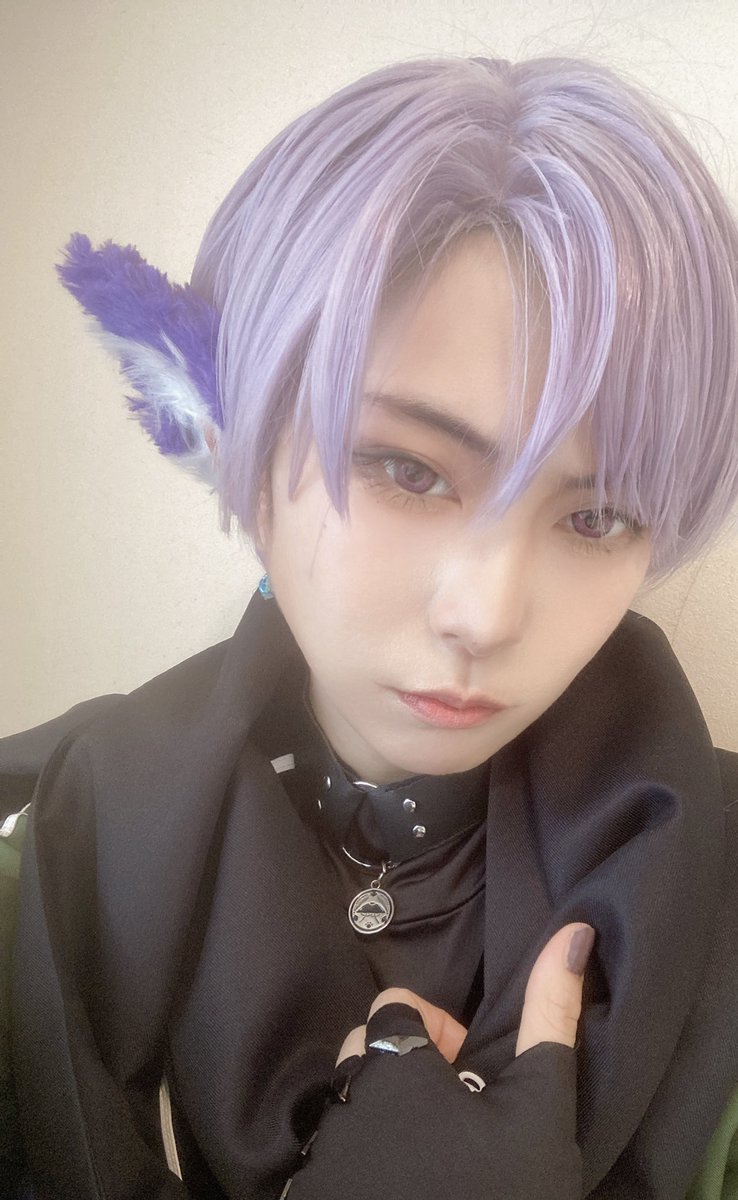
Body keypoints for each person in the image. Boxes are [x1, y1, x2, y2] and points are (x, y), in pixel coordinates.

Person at [2, 50, 738, 1200]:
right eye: (406, 467)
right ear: (230, 442)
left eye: (595, 516)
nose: (483, 616)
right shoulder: (43, 853)